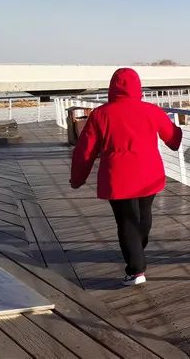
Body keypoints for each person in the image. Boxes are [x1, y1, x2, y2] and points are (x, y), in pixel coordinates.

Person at [70, 68, 183, 286]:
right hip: (148, 176)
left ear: (112, 88)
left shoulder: (101, 115)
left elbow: (85, 152)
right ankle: (136, 257)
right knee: (143, 217)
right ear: (137, 87)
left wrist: (78, 178)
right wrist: (176, 132)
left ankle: (136, 269)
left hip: (118, 178)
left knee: (126, 222)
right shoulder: (151, 111)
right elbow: (173, 139)